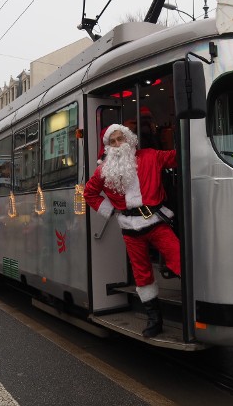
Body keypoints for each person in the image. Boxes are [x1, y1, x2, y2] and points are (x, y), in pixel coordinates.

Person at [84, 124, 180, 337]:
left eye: (121, 139)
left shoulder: (151, 156)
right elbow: (89, 194)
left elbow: (176, 157)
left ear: (129, 140)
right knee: (141, 272)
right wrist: (110, 210)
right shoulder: (103, 171)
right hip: (129, 228)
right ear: (107, 146)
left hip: (156, 221)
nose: (118, 144)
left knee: (178, 257)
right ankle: (155, 319)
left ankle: (196, 306)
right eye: (113, 141)